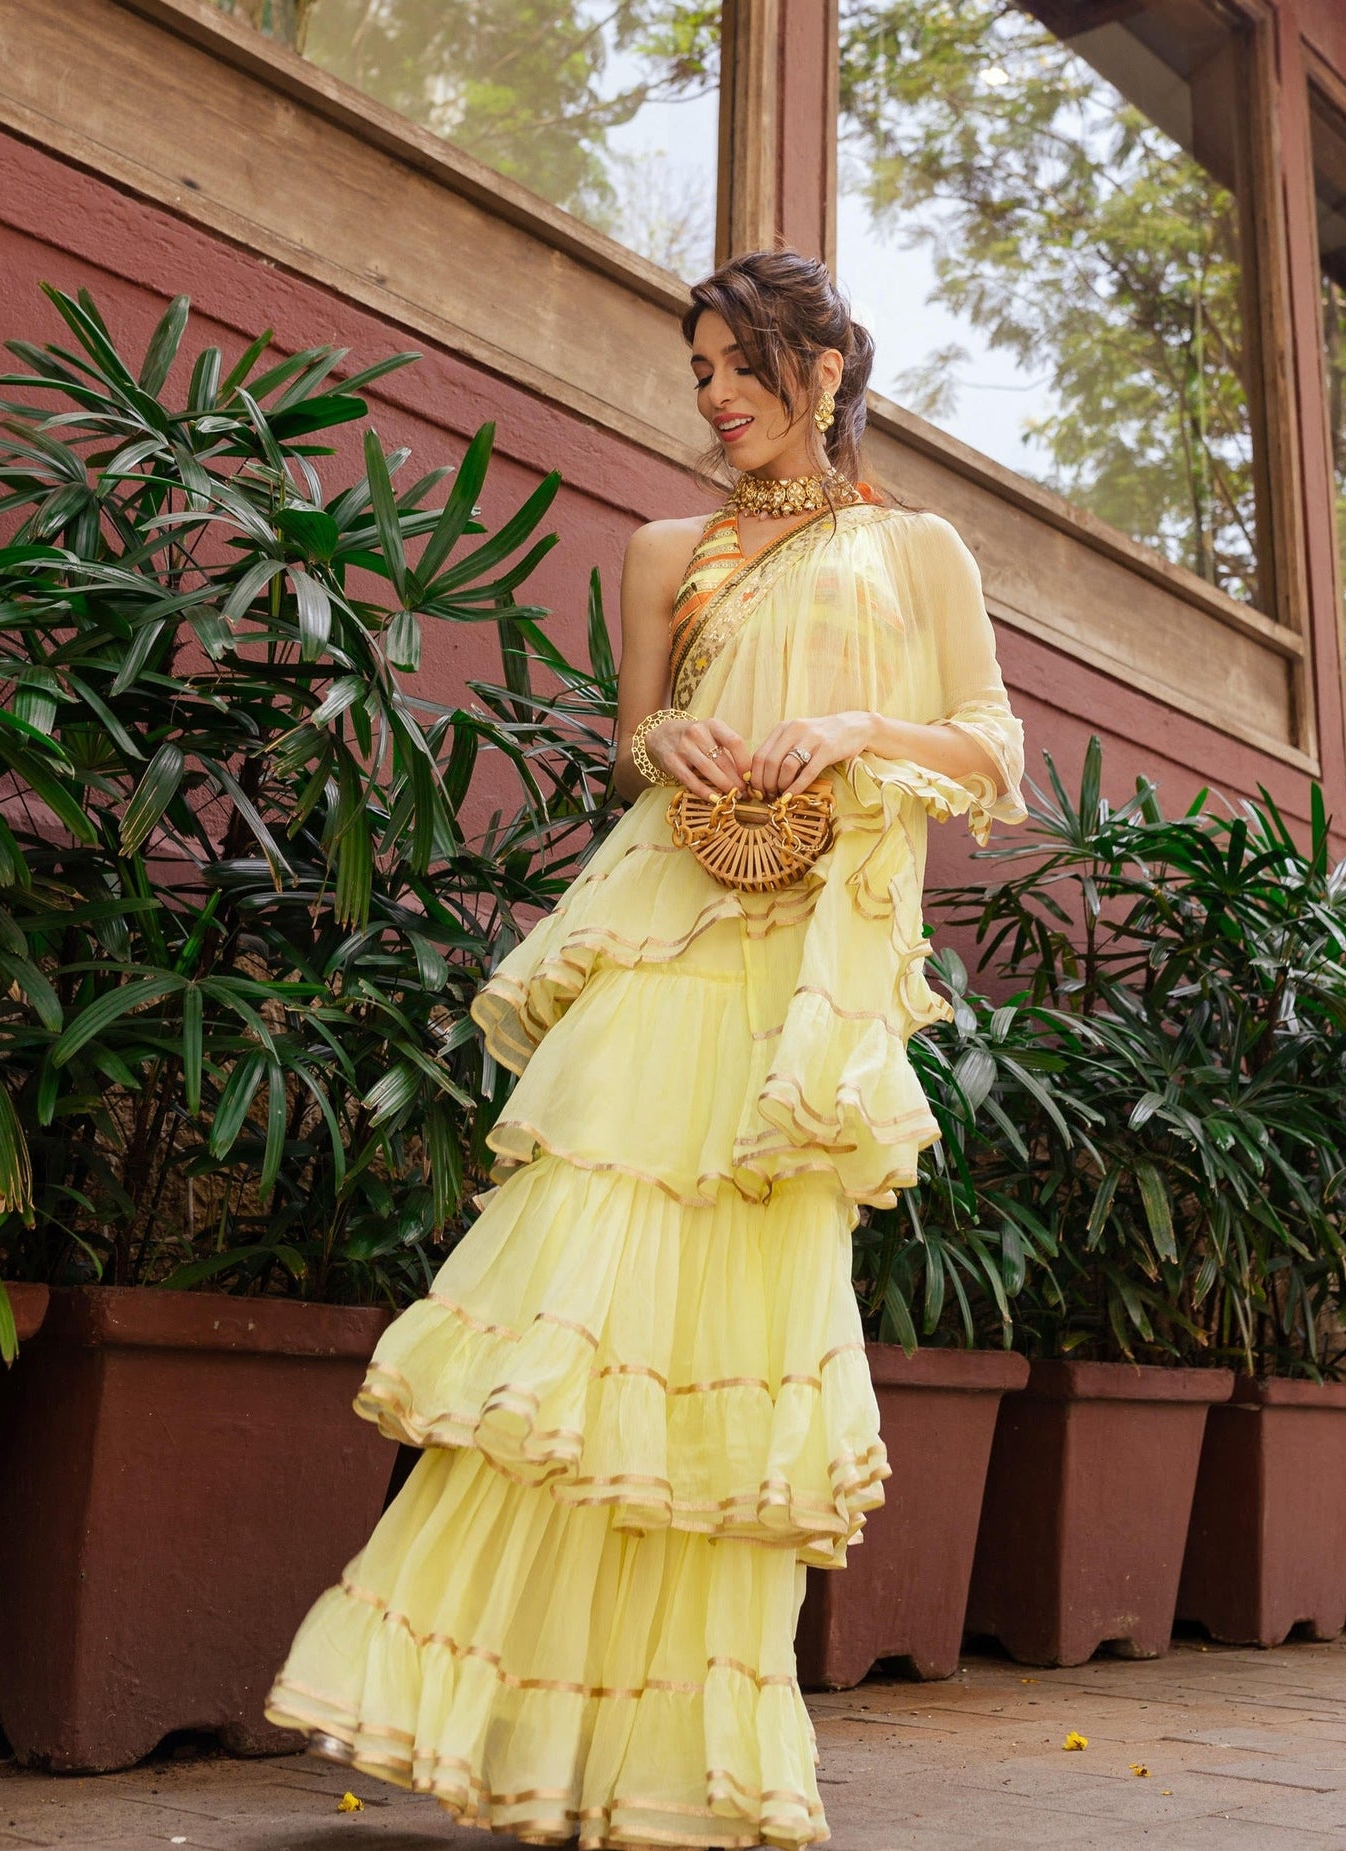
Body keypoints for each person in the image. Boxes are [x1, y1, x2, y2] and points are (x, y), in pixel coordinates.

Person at [265, 248, 1026, 1848]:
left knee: (734, 1326)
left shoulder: (919, 548)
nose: (713, 396)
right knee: (579, 1300)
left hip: (800, 975)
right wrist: (664, 739)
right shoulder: (666, 546)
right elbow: (633, 743)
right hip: (668, 938)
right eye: (696, 370)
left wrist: (850, 729)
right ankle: (488, 1729)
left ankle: (679, 1762)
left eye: (741, 363)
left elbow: (986, 745)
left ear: (824, 368)